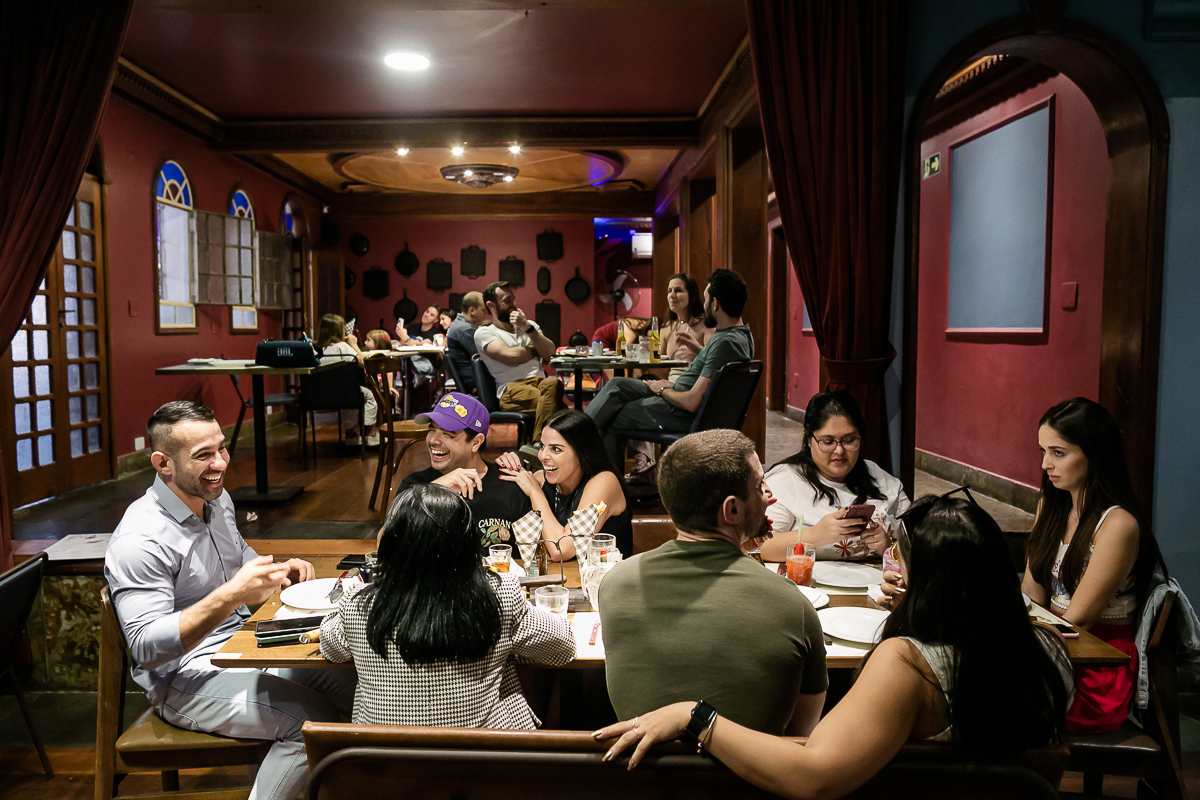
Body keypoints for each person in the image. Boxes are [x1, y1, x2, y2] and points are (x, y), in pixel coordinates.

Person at [595, 495, 1074, 799]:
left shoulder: (908, 664)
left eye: (899, 560)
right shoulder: (1048, 651)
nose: (892, 567)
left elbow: (812, 775)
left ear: (926, 582)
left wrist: (693, 716)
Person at [105, 402, 355, 800]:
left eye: (221, 448)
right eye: (203, 455)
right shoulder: (140, 539)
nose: (220, 462)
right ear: (162, 463)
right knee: (311, 723)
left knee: (358, 688)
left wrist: (275, 570)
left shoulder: (215, 499)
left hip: (242, 647)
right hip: (181, 678)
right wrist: (231, 595)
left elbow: (240, 557)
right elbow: (147, 647)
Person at [597, 430, 827, 736]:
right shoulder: (791, 604)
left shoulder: (614, 585)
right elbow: (801, 733)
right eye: (759, 485)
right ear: (732, 509)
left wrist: (736, 544)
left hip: (645, 777)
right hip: (749, 780)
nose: (770, 494)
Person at [319, 484, 575, 728]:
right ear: (468, 546)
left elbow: (330, 646)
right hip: (486, 763)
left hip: (385, 767)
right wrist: (505, 647)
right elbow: (564, 646)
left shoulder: (357, 605)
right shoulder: (500, 595)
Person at [1022, 397, 1166, 733]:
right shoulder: (1051, 506)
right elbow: (1030, 597)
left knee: (984, 691)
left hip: (1097, 666)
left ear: (1095, 454)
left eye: (1058, 453)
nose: (1045, 464)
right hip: (1054, 647)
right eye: (1043, 451)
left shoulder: (1117, 524)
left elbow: (1079, 619)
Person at [585, 269, 753, 470]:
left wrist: (663, 390)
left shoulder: (725, 341)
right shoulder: (741, 335)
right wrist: (696, 353)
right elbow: (715, 365)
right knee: (617, 384)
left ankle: (578, 450)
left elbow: (692, 403)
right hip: (679, 393)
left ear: (715, 304)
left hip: (683, 412)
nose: (704, 305)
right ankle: (570, 438)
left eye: (707, 300)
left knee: (613, 415)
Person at [760, 391, 909, 562]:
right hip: (807, 585)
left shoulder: (878, 476)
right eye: (828, 442)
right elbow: (757, 546)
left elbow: (918, 542)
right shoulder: (785, 482)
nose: (839, 451)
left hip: (877, 584)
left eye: (849, 440)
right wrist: (816, 535)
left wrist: (889, 547)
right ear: (809, 440)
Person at [397, 391, 532, 552]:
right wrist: (435, 489)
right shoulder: (415, 485)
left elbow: (536, 553)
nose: (433, 440)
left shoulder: (510, 485)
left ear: (476, 442)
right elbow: (386, 544)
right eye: (432, 430)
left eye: (447, 434)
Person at [495, 410, 632, 560]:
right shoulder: (540, 479)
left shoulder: (605, 482)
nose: (542, 456)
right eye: (542, 446)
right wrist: (504, 466)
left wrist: (536, 494)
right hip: (562, 579)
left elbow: (562, 550)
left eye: (555, 449)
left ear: (582, 453)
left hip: (606, 580)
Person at [627, 273, 715, 482]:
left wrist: (697, 347)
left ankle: (645, 459)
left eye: (678, 290)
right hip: (669, 383)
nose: (672, 295)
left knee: (629, 403)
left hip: (689, 386)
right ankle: (646, 457)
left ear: (692, 295)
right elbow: (659, 364)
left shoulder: (705, 326)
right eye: (669, 291)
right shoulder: (667, 328)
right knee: (631, 394)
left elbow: (711, 359)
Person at [474, 280, 564, 439]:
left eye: (513, 299)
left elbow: (550, 354)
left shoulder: (529, 327)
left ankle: (537, 446)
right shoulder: (484, 333)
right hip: (511, 389)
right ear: (491, 306)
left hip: (541, 385)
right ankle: (540, 444)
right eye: (507, 301)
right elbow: (510, 357)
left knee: (553, 383)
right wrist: (534, 349)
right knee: (560, 409)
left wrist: (529, 329)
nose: (513, 305)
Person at [317, 313, 378, 446]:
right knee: (366, 395)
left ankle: (350, 435)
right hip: (344, 394)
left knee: (349, 392)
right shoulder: (342, 347)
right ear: (340, 330)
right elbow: (365, 364)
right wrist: (353, 345)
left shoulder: (315, 350)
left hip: (319, 396)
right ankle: (371, 434)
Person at [445, 291, 487, 395]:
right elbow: (484, 358)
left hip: (471, 382)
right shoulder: (465, 330)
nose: (485, 314)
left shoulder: (458, 325)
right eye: (483, 310)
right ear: (472, 310)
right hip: (476, 385)